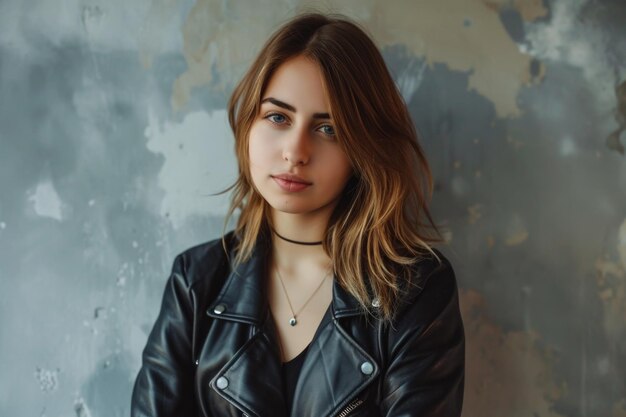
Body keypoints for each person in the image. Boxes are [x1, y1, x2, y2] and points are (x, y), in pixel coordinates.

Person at [131, 12, 464, 417]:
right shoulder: (196, 281)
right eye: (277, 117)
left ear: (362, 150)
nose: (295, 151)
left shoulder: (416, 291)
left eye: (329, 129)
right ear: (249, 125)